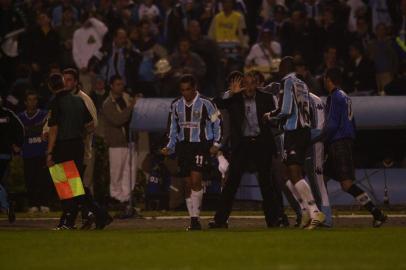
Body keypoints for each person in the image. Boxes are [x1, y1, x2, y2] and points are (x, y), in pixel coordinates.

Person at [209, 71, 284, 229]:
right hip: (242, 145)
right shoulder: (234, 98)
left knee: (266, 183)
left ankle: (274, 220)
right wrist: (232, 93)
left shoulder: (266, 97)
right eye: (246, 83)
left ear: (256, 83)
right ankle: (220, 220)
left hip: (261, 144)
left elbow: (277, 118)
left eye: (252, 83)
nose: (249, 87)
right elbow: (215, 103)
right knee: (231, 183)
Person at [316, 68, 387, 227]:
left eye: (324, 79)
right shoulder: (345, 96)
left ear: (328, 79)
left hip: (338, 144)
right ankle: (321, 214)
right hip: (344, 142)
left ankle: (376, 213)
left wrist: (320, 138)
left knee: (345, 184)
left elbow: (333, 124)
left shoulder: (334, 97)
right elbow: (352, 123)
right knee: (321, 178)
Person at [264, 56, 325, 230]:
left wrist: (270, 115)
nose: (278, 70)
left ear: (284, 67)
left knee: (294, 171)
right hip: (303, 130)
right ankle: (305, 210)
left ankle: (315, 212)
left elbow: (285, 109)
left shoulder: (287, 82)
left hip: (294, 131)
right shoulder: (302, 83)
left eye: (280, 67)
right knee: (287, 173)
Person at [46, 73, 111, 230]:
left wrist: (49, 152)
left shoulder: (56, 102)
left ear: (50, 86)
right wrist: (79, 133)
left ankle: (83, 218)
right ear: (62, 83)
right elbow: (90, 125)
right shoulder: (78, 100)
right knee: (75, 185)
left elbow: (53, 129)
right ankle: (95, 216)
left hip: (62, 146)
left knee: (67, 187)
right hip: (77, 146)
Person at [161, 74, 222, 231]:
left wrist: (216, 143)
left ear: (195, 88)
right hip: (184, 147)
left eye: (188, 89)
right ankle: (193, 220)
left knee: (196, 179)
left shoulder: (207, 103)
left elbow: (218, 123)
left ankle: (195, 219)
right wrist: (170, 147)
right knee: (188, 183)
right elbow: (173, 129)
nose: (185, 93)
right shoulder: (175, 105)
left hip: (201, 145)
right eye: (182, 90)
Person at [102, 75, 138, 219]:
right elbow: (118, 120)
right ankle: (117, 200)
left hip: (130, 142)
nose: (120, 87)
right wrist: (131, 106)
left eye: (121, 84)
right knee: (117, 173)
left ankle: (126, 200)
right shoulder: (107, 103)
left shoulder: (126, 97)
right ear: (111, 86)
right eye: (117, 84)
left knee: (130, 173)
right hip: (117, 143)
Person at [18, 91, 52, 214]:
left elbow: (45, 128)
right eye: (29, 100)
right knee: (30, 180)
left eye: (34, 99)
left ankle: (44, 203)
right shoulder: (20, 117)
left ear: (37, 101)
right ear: (25, 102)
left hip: (41, 152)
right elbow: (20, 132)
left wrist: (28, 130)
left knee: (43, 180)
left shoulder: (44, 114)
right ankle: (32, 204)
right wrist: (36, 128)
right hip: (28, 153)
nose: (32, 102)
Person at [0, 96, 24, 223]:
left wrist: (18, 144)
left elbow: (20, 129)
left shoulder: (8, 114)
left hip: (4, 153)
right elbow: (20, 128)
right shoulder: (8, 114)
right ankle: (7, 206)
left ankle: (7, 206)